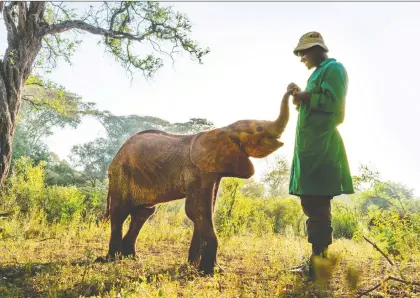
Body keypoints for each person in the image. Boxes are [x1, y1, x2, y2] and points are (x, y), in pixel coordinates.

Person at [286, 31, 355, 280]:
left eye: (304, 52)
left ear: (317, 49)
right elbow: (314, 103)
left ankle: (319, 264)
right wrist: (299, 96)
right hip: (309, 150)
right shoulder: (316, 73)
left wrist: (305, 96)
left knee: (318, 204)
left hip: (323, 149)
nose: (302, 57)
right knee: (310, 202)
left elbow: (335, 106)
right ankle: (316, 260)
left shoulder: (334, 69)